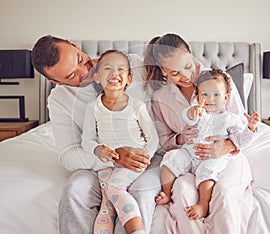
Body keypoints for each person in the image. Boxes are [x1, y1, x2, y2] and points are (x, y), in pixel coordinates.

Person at [31, 35, 161, 234]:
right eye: (71, 76)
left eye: (80, 59)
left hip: (144, 158)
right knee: (75, 191)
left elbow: (193, 74)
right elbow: (68, 154)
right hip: (98, 162)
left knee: (139, 192)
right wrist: (114, 158)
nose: (86, 72)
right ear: (53, 81)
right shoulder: (59, 99)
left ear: (74, 45)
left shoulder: (130, 64)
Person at [144, 33, 254, 233]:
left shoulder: (219, 80)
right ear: (164, 71)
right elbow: (162, 141)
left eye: (187, 67)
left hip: (226, 159)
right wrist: (180, 138)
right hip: (190, 162)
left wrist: (226, 146)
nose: (185, 77)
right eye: (175, 73)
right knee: (183, 192)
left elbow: (241, 123)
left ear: (190, 52)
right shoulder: (160, 97)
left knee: (224, 193)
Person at [155, 68, 260, 220]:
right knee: (170, 158)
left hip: (212, 156)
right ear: (197, 97)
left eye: (216, 94)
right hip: (189, 153)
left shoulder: (230, 119)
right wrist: (192, 112)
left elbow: (240, 140)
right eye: (204, 94)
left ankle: (203, 204)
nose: (210, 99)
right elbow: (188, 118)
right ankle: (167, 193)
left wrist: (250, 128)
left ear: (226, 97)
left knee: (207, 173)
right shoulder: (198, 112)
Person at [81, 50, 159, 234]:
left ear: (129, 78)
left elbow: (153, 137)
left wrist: (144, 156)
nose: (114, 73)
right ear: (98, 77)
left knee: (114, 187)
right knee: (106, 205)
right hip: (106, 163)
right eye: (107, 68)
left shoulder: (137, 106)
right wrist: (97, 149)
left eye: (121, 69)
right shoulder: (92, 107)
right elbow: (87, 140)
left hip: (134, 160)